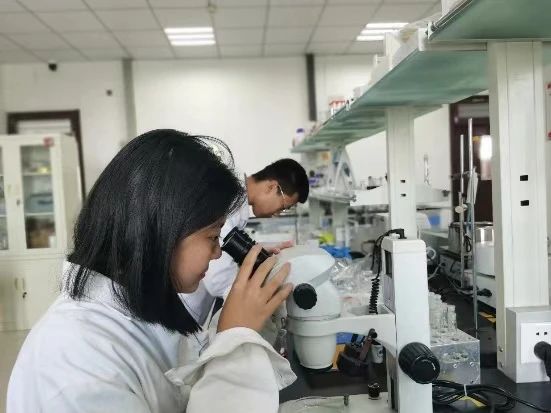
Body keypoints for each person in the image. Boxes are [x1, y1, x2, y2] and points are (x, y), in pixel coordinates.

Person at [7, 130, 296, 412]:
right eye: (212, 236)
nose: (218, 252)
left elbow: (184, 381)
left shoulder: (142, 304)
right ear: (160, 231)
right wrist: (235, 343)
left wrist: (237, 329)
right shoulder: (74, 365)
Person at [181, 158, 309, 325]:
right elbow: (217, 278)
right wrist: (264, 299)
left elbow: (227, 246)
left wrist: (258, 252)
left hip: (190, 307)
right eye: (283, 207)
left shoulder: (236, 199)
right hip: (179, 308)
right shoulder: (227, 197)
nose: (277, 214)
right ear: (272, 187)